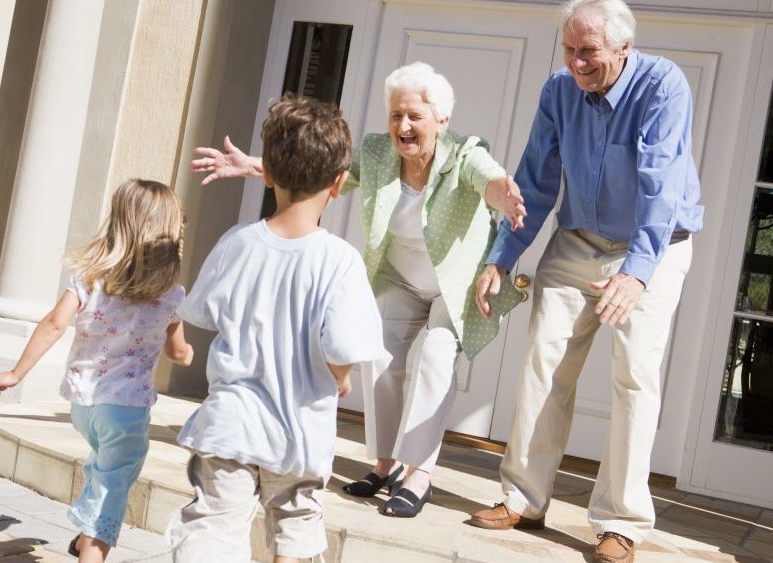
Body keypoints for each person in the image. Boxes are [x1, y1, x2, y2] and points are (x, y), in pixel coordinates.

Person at [191, 62, 526, 518]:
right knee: (383, 357)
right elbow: (321, 174)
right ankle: (386, 463)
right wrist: (255, 166)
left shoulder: (465, 154)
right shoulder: (375, 152)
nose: (402, 126)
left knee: (434, 358)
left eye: (414, 117)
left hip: (452, 285)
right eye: (395, 116)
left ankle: (418, 472)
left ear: (441, 120)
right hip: (400, 276)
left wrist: (502, 195)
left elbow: (488, 178)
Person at [469, 1, 702, 562]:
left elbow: (659, 186)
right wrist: (502, 257)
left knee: (634, 378)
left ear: (623, 47)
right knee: (543, 365)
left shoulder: (662, 85)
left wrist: (637, 274)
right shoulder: (558, 91)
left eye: (589, 51)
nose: (576, 63)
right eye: (570, 50)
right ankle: (524, 498)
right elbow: (536, 178)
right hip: (577, 242)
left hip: (654, 246)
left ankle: (621, 522)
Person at [165, 94, 389, 562]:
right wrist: (342, 377)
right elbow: (342, 346)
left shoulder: (237, 243)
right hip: (299, 432)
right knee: (296, 530)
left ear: (266, 173)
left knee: (212, 527)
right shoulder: (341, 261)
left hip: (231, 425)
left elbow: (199, 312)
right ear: (339, 182)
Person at [0, 179, 193, 563]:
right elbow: (178, 352)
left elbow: (53, 324)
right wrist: (187, 354)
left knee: (103, 467)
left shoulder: (89, 277)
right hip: (127, 412)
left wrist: (16, 373)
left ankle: (83, 538)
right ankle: (92, 552)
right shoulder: (171, 294)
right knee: (115, 485)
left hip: (83, 406)